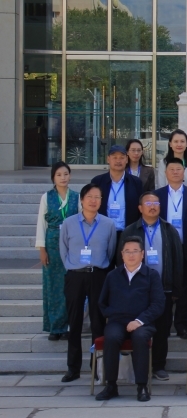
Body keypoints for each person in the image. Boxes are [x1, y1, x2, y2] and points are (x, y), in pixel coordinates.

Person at [116, 192, 183, 381]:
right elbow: (120, 261)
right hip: (137, 290)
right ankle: (140, 366)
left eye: (156, 203)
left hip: (163, 288)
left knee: (162, 329)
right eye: (148, 203)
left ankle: (159, 366)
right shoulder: (130, 231)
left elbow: (177, 260)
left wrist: (176, 288)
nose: (152, 206)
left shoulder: (169, 229)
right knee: (139, 328)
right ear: (140, 208)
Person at [59, 184, 117, 383]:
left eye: (97, 197)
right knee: (74, 322)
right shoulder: (69, 223)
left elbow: (110, 251)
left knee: (97, 322)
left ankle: (96, 367)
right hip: (75, 276)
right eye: (90, 197)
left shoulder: (108, 224)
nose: (93, 201)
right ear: (82, 200)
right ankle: (73, 367)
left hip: (98, 275)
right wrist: (73, 266)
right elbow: (63, 250)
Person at [95, 236, 164, 402]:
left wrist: (139, 321)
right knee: (111, 337)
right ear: (122, 254)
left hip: (142, 323)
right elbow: (102, 303)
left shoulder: (151, 275)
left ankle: (142, 386)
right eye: (127, 251)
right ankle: (111, 385)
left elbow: (158, 304)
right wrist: (113, 314)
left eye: (135, 251)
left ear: (142, 254)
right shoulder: (113, 275)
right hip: (117, 321)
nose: (131, 255)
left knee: (140, 338)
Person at [154, 157, 187, 339]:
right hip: (165, 247)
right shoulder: (157, 195)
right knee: (165, 285)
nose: (175, 172)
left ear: (184, 173)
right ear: (165, 173)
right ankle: (163, 324)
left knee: (185, 287)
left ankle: (182, 324)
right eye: (172, 169)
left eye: (179, 169)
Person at [36, 162, 79, 341]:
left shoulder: (76, 197)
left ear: (70, 176)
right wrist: (42, 249)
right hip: (52, 244)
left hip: (71, 245)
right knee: (53, 286)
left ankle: (68, 325)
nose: (63, 178)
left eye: (66, 174)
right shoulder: (47, 197)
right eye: (59, 175)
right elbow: (41, 224)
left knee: (70, 286)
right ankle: (55, 327)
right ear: (53, 177)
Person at [90, 145, 144, 234]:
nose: (118, 161)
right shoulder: (97, 181)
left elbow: (141, 209)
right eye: (114, 157)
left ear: (127, 159)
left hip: (128, 233)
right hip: (103, 232)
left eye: (122, 158)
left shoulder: (136, 182)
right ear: (108, 159)